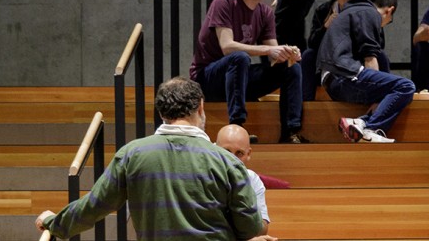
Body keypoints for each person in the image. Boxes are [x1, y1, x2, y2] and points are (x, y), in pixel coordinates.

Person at [35, 77, 265, 240]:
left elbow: (95, 206)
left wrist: (55, 223)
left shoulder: (131, 154)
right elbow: (250, 228)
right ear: (201, 108)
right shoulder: (227, 162)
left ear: (161, 113)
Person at [190, 0, 308, 144]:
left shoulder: (265, 12)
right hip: (208, 80)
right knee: (239, 57)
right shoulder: (224, 3)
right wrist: (269, 51)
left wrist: (288, 53)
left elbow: (273, 54)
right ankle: (237, 127)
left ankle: (290, 132)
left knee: (290, 67)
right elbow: (227, 46)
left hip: (238, 78)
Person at [319, 0, 413, 143]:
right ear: (389, 10)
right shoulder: (369, 13)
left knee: (390, 87)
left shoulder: (353, 11)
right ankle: (370, 127)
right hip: (343, 74)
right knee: (406, 86)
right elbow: (369, 57)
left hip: (332, 79)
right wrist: (379, 91)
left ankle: (358, 123)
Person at [302, 0, 366, 100]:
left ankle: (379, 103)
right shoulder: (324, 10)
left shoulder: (367, 11)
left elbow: (379, 43)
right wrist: (326, 27)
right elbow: (312, 43)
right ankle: (305, 105)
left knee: (381, 56)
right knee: (308, 56)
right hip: (328, 60)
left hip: (355, 59)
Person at [216, 124, 274, 237]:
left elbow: (262, 229)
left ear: (248, 154)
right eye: (226, 152)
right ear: (214, 149)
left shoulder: (252, 179)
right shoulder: (205, 175)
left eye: (239, 153)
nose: (232, 160)